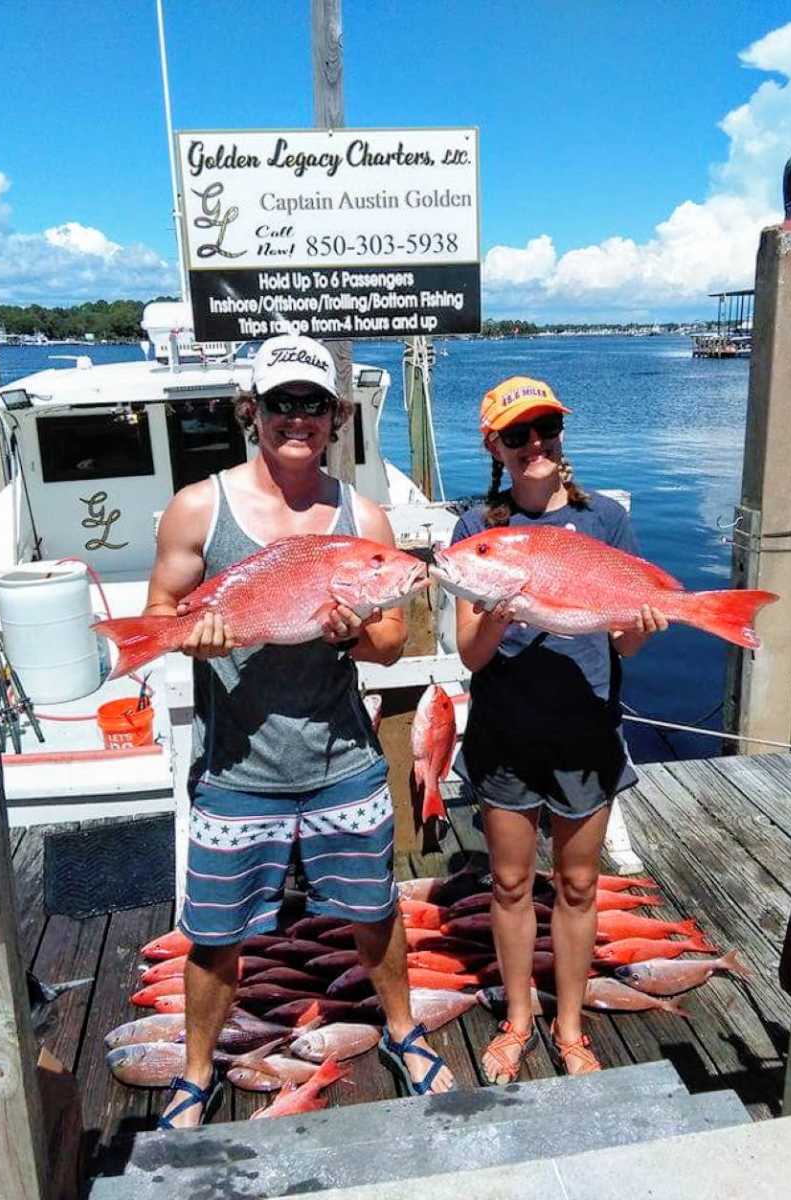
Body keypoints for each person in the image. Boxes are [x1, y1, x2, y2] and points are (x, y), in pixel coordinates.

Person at [152, 333, 454, 1128]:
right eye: (281, 402)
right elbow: (160, 616)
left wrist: (352, 629)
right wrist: (194, 634)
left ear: (336, 417)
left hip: (343, 760)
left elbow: (392, 639)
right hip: (234, 768)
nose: (298, 418)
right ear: (252, 411)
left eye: (313, 404)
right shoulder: (199, 506)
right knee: (215, 937)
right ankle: (194, 1072)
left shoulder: (364, 515)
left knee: (374, 910)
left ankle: (401, 1030)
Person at [450, 375, 666, 1083]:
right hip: (506, 734)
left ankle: (569, 1025)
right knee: (510, 884)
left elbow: (624, 646)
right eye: (517, 435)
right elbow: (470, 656)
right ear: (495, 446)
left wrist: (642, 624)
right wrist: (496, 610)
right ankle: (518, 1017)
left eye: (545, 430)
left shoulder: (603, 518)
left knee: (577, 884)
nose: (534, 445)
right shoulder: (478, 531)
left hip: (584, 734)